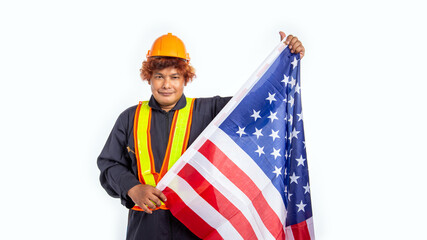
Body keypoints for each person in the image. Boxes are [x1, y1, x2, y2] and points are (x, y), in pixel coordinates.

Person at [97, 31, 305, 240]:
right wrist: (132, 188)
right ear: (148, 78)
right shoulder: (129, 118)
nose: (166, 84)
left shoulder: (210, 111)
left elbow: (253, 106)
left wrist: (282, 63)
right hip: (145, 227)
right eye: (159, 76)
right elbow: (109, 164)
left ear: (186, 79)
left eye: (175, 77)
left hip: (195, 225)